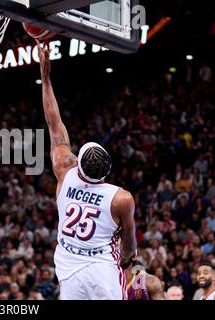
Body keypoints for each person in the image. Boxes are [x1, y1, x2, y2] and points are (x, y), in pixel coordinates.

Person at [37, 42, 136, 300]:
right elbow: (129, 239)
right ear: (106, 171)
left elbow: (54, 124)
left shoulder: (65, 171)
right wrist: (127, 261)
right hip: (101, 269)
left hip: (68, 266)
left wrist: (45, 79)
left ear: (78, 165)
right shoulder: (121, 197)